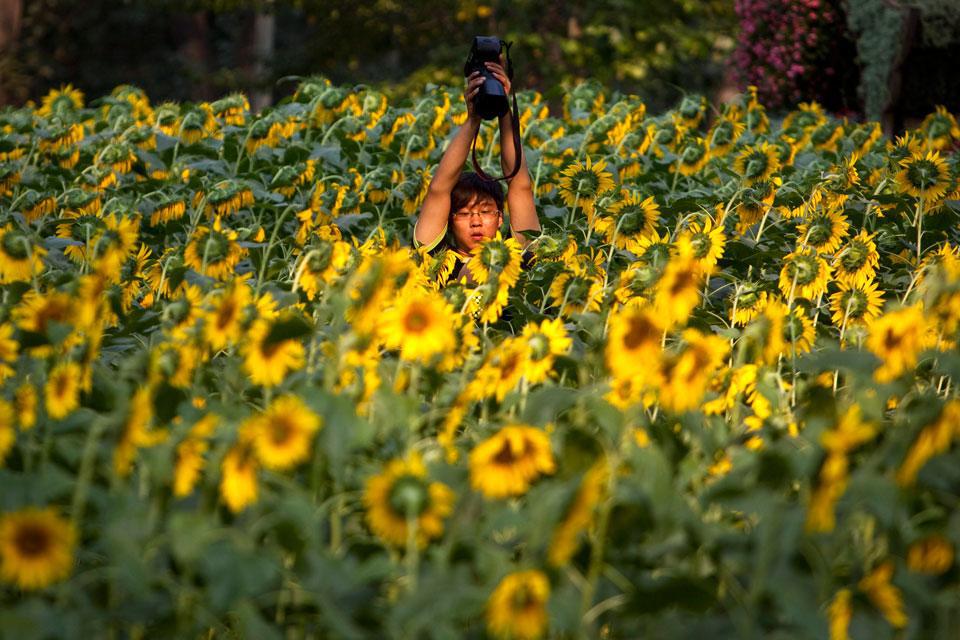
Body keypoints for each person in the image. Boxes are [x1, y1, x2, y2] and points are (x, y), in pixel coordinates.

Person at [413, 56, 541, 284]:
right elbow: (439, 189)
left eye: (485, 211)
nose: (476, 222)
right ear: (449, 221)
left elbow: (520, 185)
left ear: (500, 218)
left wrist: (503, 107)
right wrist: (473, 119)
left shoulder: (517, 254)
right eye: (463, 213)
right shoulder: (436, 261)